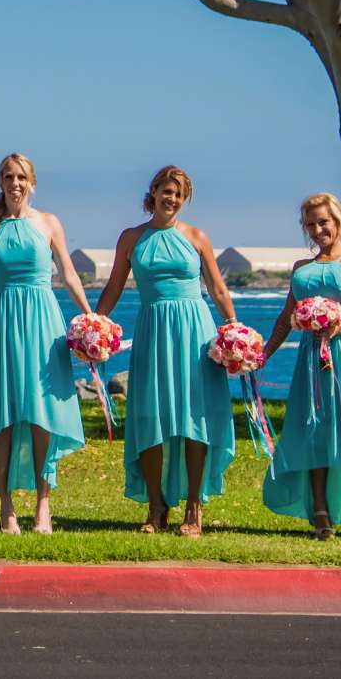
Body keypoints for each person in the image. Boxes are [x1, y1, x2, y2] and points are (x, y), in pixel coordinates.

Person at [0, 152, 91, 533]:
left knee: (42, 412)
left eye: (22, 177)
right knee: (2, 414)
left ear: (33, 182)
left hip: (43, 322)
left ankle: (43, 502)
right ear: (0, 181)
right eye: (8, 177)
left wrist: (90, 315)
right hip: (1, 321)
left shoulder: (48, 223)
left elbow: (69, 274)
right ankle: (6, 504)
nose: (15, 183)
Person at [93, 164, 237, 536]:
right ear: (153, 193)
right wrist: (93, 325)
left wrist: (234, 329)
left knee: (195, 416)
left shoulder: (197, 236)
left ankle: (194, 505)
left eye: (178, 193)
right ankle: (156, 506)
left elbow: (218, 290)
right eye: (166, 191)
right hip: (153, 329)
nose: (171, 198)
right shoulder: (132, 238)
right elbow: (113, 287)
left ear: (184, 200)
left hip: (195, 331)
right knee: (150, 416)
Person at [261, 191, 341, 539]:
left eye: (323, 222)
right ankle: (320, 512)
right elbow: (286, 319)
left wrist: (340, 326)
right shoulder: (302, 270)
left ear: (339, 222)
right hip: (312, 359)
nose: (318, 230)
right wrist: (264, 354)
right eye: (311, 225)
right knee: (312, 429)